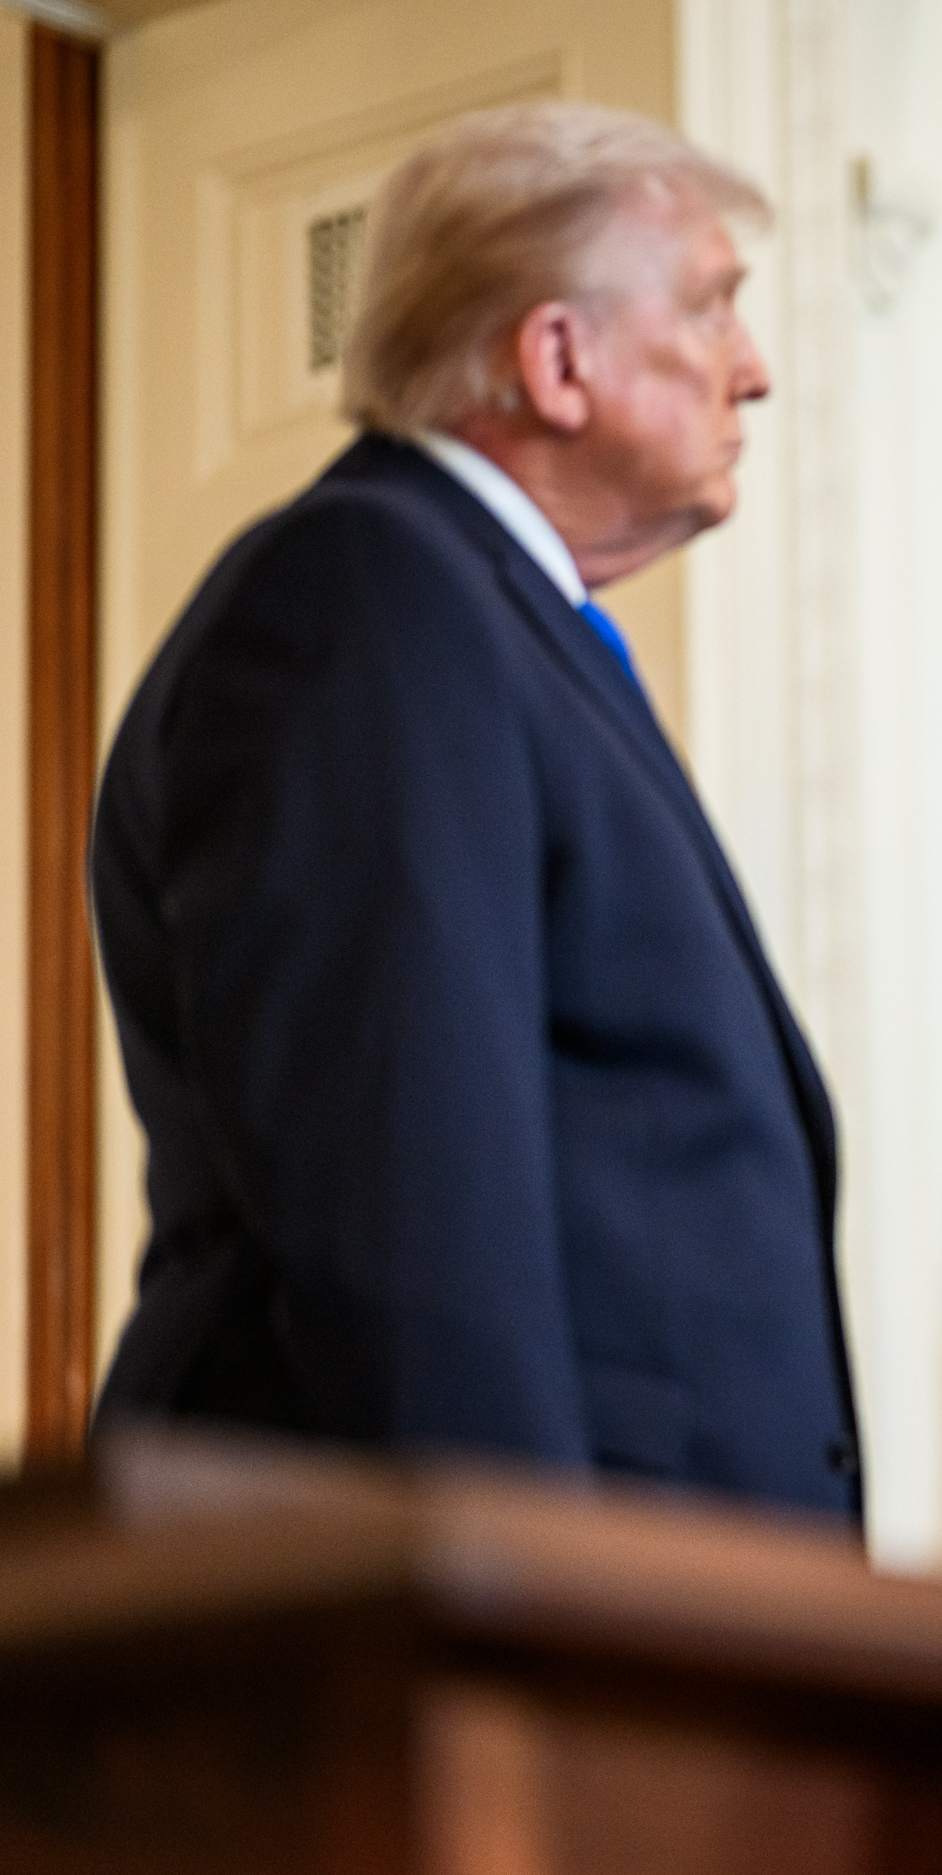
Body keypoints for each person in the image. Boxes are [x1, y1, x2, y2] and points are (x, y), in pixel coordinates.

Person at [90, 102, 861, 1518]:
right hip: (516, 1637)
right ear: (555, 358)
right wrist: (527, 1653)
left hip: (678, 1630)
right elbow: (411, 1221)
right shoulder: (368, 598)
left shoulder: (492, 622)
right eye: (709, 309)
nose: (751, 373)